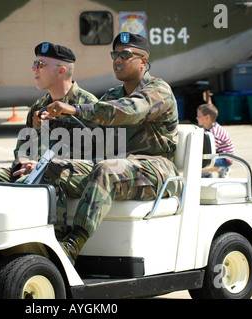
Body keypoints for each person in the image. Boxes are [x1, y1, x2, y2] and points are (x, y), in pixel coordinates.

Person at [40, 32, 180, 263]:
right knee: (54, 169)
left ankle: (72, 246)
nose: (117, 60)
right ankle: (55, 240)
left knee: (107, 169)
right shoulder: (113, 94)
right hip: (119, 167)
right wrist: (46, 120)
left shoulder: (158, 91)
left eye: (125, 55)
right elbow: (89, 127)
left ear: (143, 61)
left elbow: (128, 111)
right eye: (115, 54)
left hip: (155, 170)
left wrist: (76, 109)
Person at [0, 42, 98, 186]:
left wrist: (41, 167)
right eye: (34, 63)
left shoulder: (88, 105)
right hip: (36, 171)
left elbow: (96, 155)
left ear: (61, 71)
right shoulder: (39, 106)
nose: (33, 68)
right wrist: (23, 165)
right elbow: (24, 145)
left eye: (40, 64)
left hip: (68, 176)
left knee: (46, 177)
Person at [196, 103, 234, 178]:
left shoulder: (215, 132)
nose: (197, 118)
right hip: (219, 154)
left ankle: (222, 169)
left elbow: (210, 150)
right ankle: (205, 173)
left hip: (225, 158)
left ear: (207, 117)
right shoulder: (206, 128)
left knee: (198, 162)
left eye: (199, 116)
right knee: (201, 159)